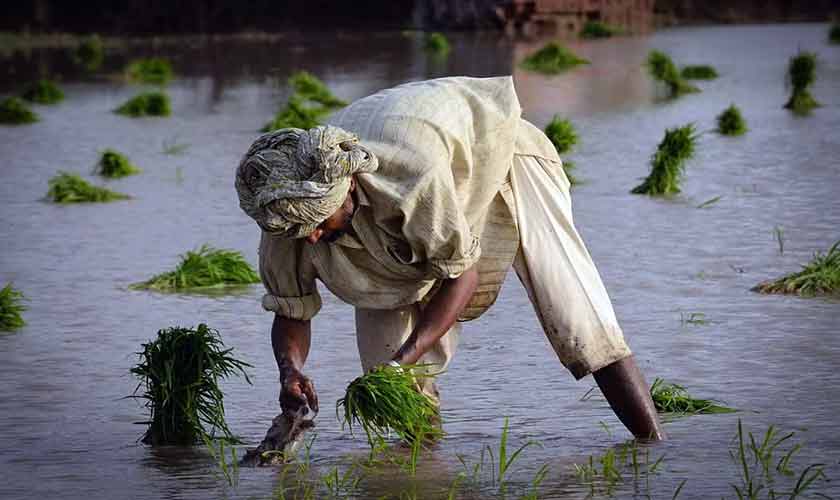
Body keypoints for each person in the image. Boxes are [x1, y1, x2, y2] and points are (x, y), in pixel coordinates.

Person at [235, 76, 663, 440]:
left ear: (346, 190)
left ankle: (652, 447)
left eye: (317, 225)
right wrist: (289, 370)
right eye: (298, 230)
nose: (309, 239)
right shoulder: (288, 209)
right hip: (403, 182)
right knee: (389, 370)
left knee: (574, 310)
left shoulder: (410, 176)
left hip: (499, 152)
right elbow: (292, 308)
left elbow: (462, 275)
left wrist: (403, 361)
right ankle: (422, 470)